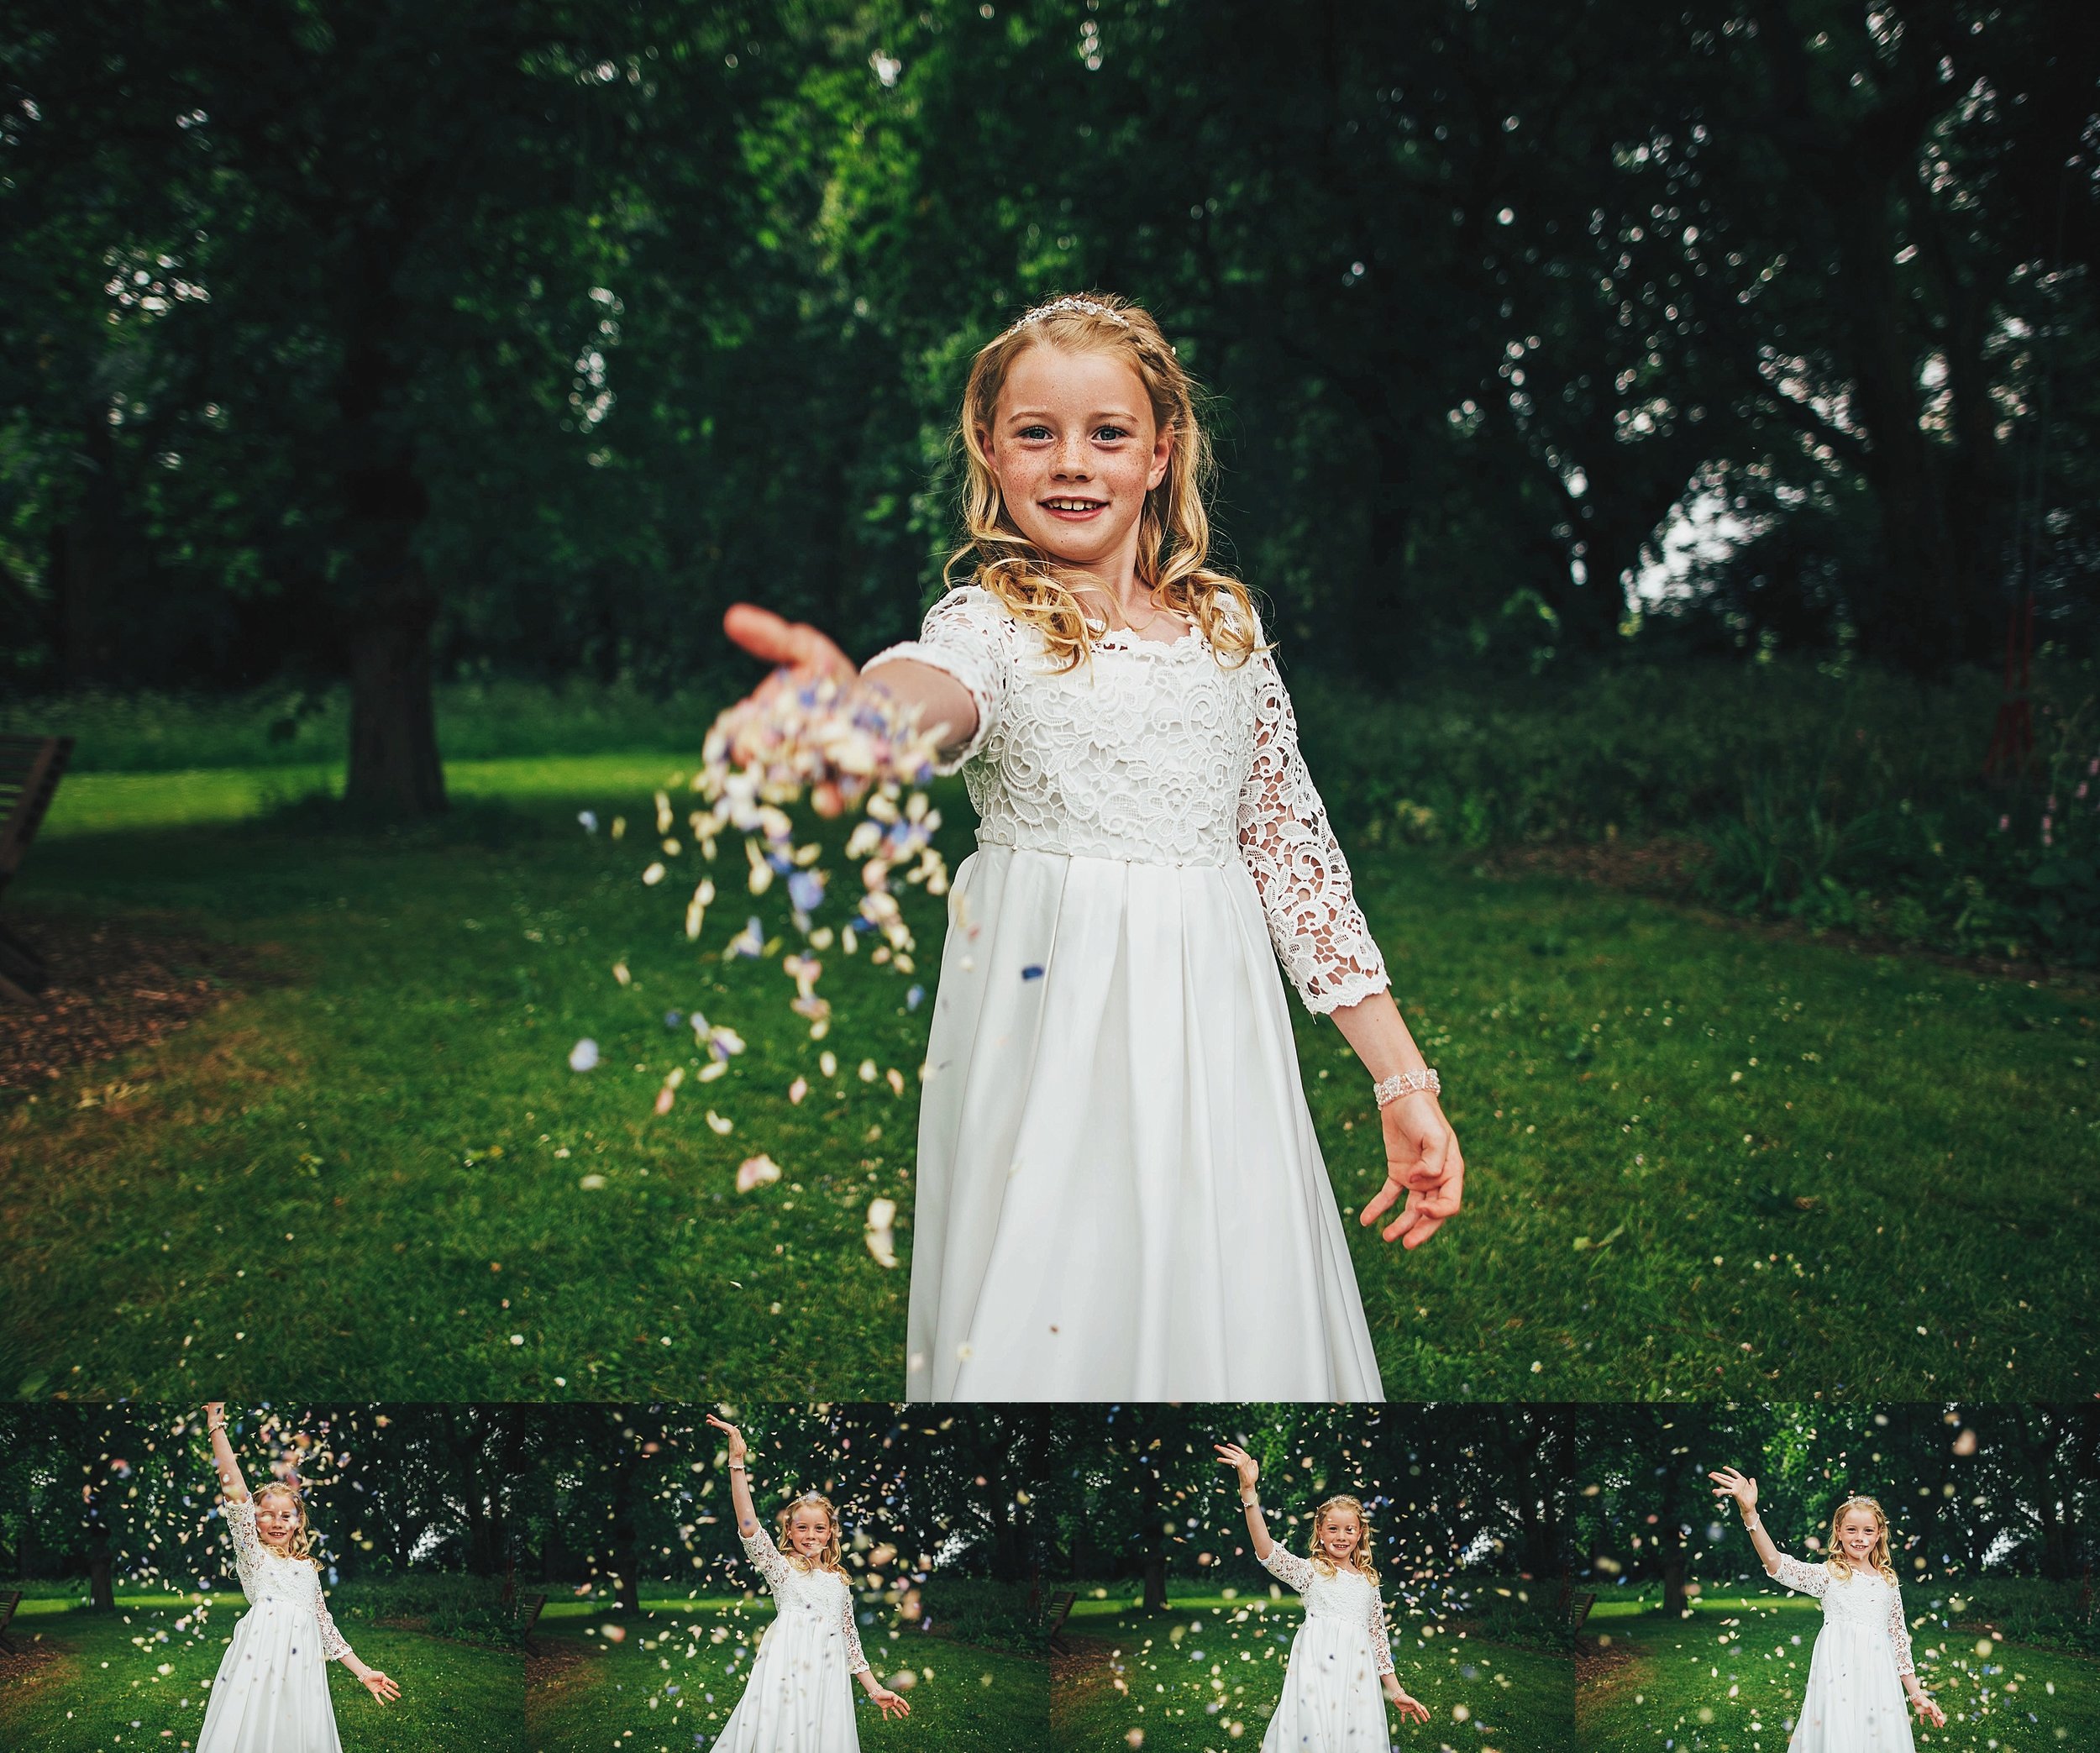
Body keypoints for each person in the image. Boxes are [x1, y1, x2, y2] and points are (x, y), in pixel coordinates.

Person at [720, 291, 1465, 1400]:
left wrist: (1401, 1077)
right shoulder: (995, 620)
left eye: (1107, 434)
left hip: (1217, 1022)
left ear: (1161, 452)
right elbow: (938, 691)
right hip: (1052, 1017)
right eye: (1037, 432)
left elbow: (1293, 858)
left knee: (1222, 1276)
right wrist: (863, 715)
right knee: (1057, 1276)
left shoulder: (1227, 629)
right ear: (990, 447)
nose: (1073, 463)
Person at [195, 1402, 399, 1752]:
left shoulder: (307, 1569)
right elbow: (236, 1493)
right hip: (258, 1665)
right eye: (267, 1514)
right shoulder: (253, 1556)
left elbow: (325, 1628)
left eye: (286, 1515)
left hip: (302, 1668)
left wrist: (364, 1672)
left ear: (298, 1522)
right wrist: (217, 1429)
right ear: (254, 1521)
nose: (277, 1522)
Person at [704, 1414, 911, 1749]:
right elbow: (748, 1527)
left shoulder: (839, 1581)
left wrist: (875, 1689)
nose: (810, 1535)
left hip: (826, 1681)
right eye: (801, 1528)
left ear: (830, 1534)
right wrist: (737, 1462)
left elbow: (850, 1641)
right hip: (784, 1673)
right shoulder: (782, 1569)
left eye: (819, 1528)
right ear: (789, 1531)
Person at [1710, 1467, 1946, 1749]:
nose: (1860, 1537)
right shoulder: (1830, 1574)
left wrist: (1916, 1694)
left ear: (1879, 1534)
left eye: (1868, 1530)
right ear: (1839, 1531)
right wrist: (1750, 1513)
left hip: (1878, 1678)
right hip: (1837, 1674)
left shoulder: (1888, 1582)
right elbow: (1778, 1565)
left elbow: (1898, 1639)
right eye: (1852, 1530)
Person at [1215, 1440, 1430, 1748]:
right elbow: (1268, 1552)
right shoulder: (1311, 1572)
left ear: (1360, 1534)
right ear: (1320, 1531)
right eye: (1332, 1529)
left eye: (1349, 1530)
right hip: (1315, 1669)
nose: (1341, 1537)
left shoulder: (1369, 1580)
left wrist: (1396, 1692)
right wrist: (1249, 1492)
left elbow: (1378, 1637)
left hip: (1357, 1674)